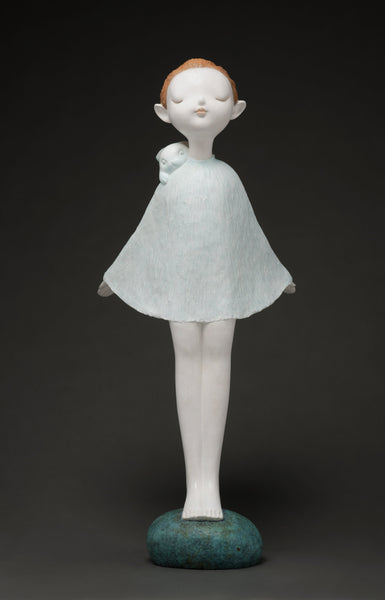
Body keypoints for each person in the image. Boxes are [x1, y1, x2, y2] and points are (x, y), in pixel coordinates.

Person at [98, 58, 295, 520]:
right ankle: (196, 486)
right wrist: (118, 273)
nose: (202, 104)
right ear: (164, 113)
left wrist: (275, 273)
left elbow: (248, 234)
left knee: (218, 361)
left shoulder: (228, 179)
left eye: (217, 96)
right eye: (185, 98)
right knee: (187, 362)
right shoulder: (175, 180)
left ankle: (210, 484)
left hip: (222, 289)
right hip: (182, 290)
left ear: (236, 109)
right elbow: (149, 231)